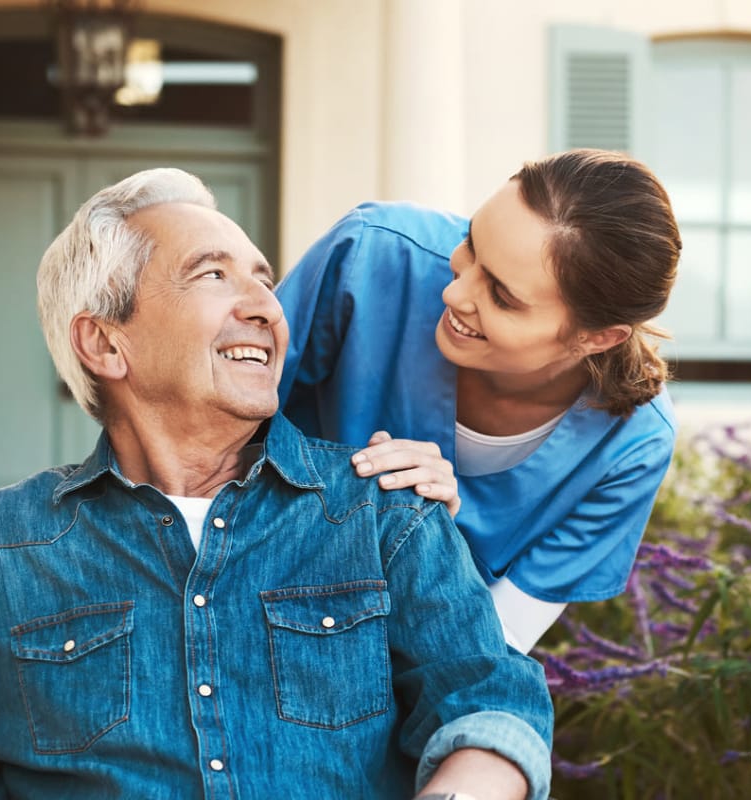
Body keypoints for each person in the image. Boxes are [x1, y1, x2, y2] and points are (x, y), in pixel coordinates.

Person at [0, 169, 554, 799]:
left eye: (261, 278)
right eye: (212, 275)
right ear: (105, 343)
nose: (265, 306)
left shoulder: (383, 516)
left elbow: (491, 706)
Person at [275, 149, 682, 653]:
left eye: (503, 297)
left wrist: (432, 540)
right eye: (470, 243)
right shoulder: (370, 255)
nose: (454, 293)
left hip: (388, 673)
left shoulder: (631, 449)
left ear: (597, 338)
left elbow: (491, 646)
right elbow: (206, 429)